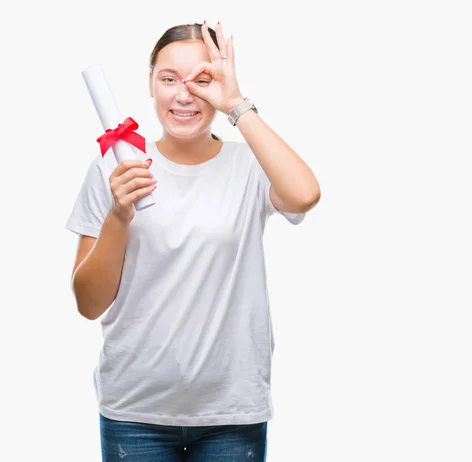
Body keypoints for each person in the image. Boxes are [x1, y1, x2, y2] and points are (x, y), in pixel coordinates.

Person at [65, 20, 320, 462]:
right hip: (135, 410)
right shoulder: (114, 170)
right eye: (169, 79)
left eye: (202, 80)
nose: (184, 95)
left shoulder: (250, 166)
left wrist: (237, 103)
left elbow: (305, 194)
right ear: (150, 83)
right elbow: (88, 303)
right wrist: (120, 213)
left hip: (230, 410)